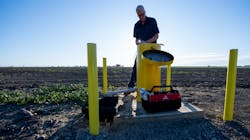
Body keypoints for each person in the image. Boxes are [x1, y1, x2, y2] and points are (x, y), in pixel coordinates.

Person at [128, 5, 160, 88]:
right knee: (136, 68)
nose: (141, 16)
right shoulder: (136, 25)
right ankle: (130, 87)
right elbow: (136, 41)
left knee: (152, 70)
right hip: (141, 50)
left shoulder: (152, 21)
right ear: (137, 15)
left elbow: (156, 36)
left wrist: (145, 42)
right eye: (139, 15)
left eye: (143, 14)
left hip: (153, 50)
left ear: (145, 12)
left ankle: (153, 88)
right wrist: (140, 42)